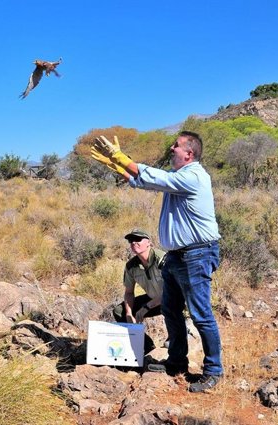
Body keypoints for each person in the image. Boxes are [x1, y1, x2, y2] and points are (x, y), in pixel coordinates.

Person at [92, 131, 223, 393]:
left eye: (176, 145)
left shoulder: (194, 175)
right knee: (171, 310)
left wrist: (120, 157)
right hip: (177, 256)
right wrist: (117, 165)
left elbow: (155, 177)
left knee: (201, 315)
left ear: (189, 153)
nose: (171, 148)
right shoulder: (178, 180)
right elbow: (144, 182)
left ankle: (213, 371)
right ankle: (176, 362)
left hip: (196, 254)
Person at [113, 229, 164, 325]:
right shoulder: (131, 266)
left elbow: (172, 291)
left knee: (171, 304)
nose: (133, 242)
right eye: (131, 240)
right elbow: (129, 293)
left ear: (148, 242)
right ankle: (142, 340)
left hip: (174, 299)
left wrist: (146, 307)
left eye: (137, 239)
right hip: (153, 300)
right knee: (119, 311)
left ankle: (176, 338)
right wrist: (129, 314)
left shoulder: (161, 259)